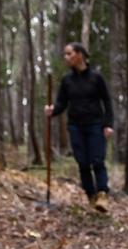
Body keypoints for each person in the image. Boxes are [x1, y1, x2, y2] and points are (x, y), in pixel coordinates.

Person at [46, 42, 115, 213]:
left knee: (97, 160)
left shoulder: (96, 78)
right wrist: (52, 110)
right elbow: (62, 103)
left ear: (79, 55)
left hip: (95, 125)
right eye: (65, 54)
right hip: (75, 126)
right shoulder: (67, 80)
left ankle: (102, 195)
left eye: (69, 54)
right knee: (83, 163)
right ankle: (91, 197)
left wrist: (108, 124)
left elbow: (107, 101)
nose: (66, 57)